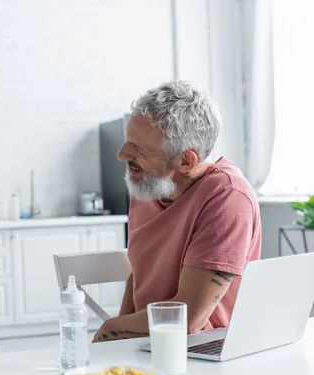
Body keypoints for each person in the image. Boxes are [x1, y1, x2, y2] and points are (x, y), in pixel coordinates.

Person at [93, 80, 261, 342]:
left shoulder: (228, 196)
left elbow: (189, 320)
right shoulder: (149, 183)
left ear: (185, 160)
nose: (122, 154)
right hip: (147, 344)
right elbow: (139, 273)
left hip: (199, 353)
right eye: (128, 141)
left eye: (139, 148)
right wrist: (118, 339)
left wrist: (110, 329)